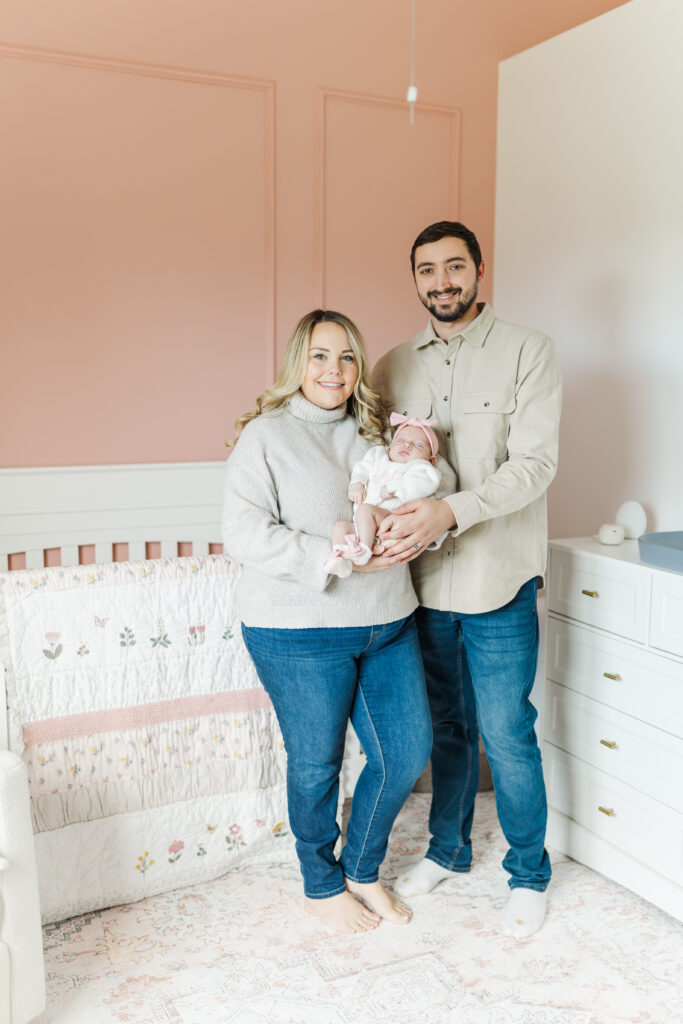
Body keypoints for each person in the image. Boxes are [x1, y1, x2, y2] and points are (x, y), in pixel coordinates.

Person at [372, 221, 562, 938]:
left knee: (507, 733)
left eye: (455, 266)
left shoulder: (527, 352)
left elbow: (534, 465)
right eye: (427, 270)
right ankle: (447, 853)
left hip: (497, 580)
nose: (441, 281)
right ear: (415, 279)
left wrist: (449, 510)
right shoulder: (392, 367)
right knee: (448, 729)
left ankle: (527, 873)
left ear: (479, 270)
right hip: (420, 589)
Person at [221, 309, 433, 935]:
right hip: (298, 632)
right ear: (297, 363)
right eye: (319, 355)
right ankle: (320, 883)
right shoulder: (267, 435)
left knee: (403, 751)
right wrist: (331, 561)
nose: (334, 370)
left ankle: (362, 870)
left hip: (388, 620)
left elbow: (405, 504)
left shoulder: (377, 437)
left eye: (346, 357)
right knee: (317, 764)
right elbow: (243, 532)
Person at [324, 412, 441, 578]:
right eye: (400, 441)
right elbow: (362, 468)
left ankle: (363, 551)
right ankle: (341, 558)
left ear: (431, 459)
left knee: (365, 511)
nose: (407, 446)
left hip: (389, 520)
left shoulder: (422, 469)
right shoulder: (379, 456)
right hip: (361, 524)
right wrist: (357, 483)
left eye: (418, 445)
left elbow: (423, 483)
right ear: (390, 446)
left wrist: (393, 487)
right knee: (340, 528)